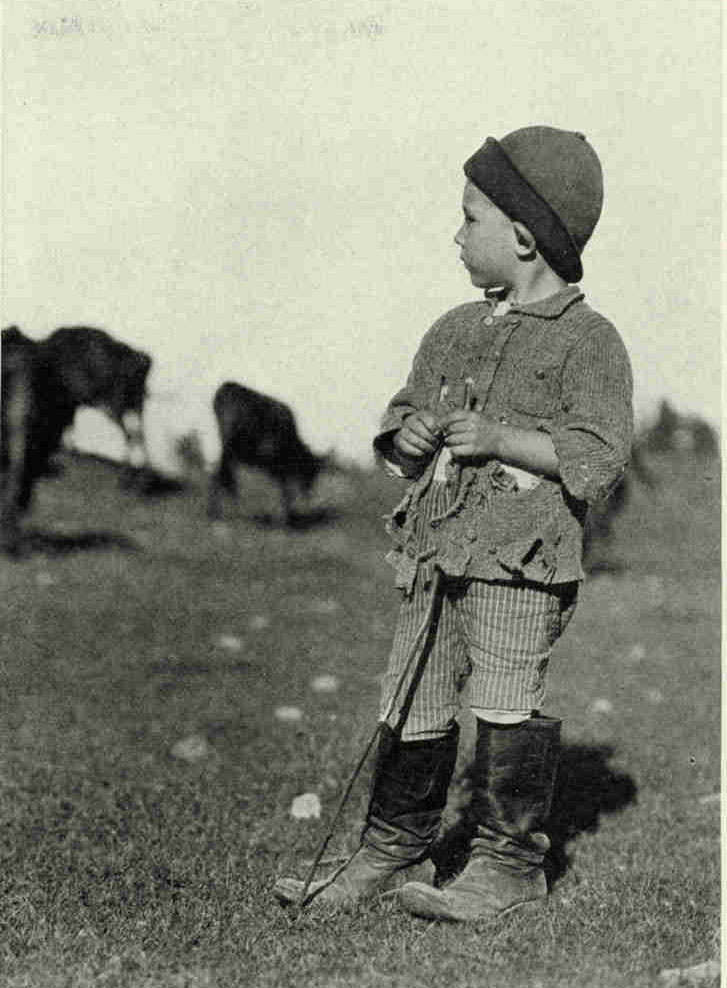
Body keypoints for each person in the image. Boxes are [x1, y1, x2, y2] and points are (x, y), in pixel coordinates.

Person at [274, 125, 633, 921]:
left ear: (523, 235)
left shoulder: (589, 342)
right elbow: (404, 419)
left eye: (468, 218)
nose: (455, 234)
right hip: (434, 556)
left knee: (504, 696)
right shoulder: (450, 331)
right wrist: (403, 439)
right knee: (413, 694)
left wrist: (504, 441)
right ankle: (390, 846)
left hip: (520, 563)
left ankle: (508, 865)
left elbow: (599, 458)